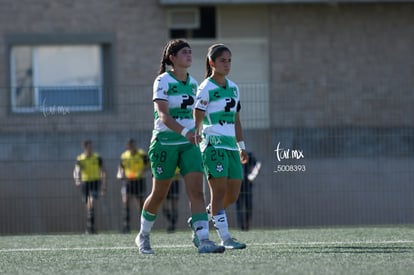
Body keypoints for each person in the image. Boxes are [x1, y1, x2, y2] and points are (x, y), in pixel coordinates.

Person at [135, 39, 225, 254]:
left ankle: (203, 239)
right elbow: (164, 116)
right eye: (184, 52)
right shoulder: (163, 80)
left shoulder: (194, 83)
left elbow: (199, 114)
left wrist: (201, 131)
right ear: (172, 58)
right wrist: (186, 132)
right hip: (165, 144)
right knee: (159, 194)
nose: (189, 55)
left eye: (191, 52)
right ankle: (143, 235)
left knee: (196, 191)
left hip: (189, 145)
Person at [194, 43, 248, 249]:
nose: (227, 64)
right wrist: (197, 135)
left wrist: (241, 145)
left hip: (231, 147)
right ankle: (226, 238)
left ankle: (205, 215)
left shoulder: (234, 88)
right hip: (213, 145)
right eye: (223, 60)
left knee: (233, 194)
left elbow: (237, 120)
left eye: (229, 60)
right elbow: (197, 116)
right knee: (218, 191)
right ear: (212, 63)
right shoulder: (205, 88)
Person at [73, 139, 107, 234]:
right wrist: (77, 180)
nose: (91, 148)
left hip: (95, 182)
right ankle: (90, 226)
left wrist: (104, 185)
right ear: (85, 148)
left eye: (92, 146)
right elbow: (76, 170)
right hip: (85, 183)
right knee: (88, 205)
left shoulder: (97, 158)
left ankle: (91, 226)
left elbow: (103, 171)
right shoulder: (80, 159)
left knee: (91, 201)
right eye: (89, 146)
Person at [117, 138, 149, 234]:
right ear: (128, 146)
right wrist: (119, 174)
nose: (132, 147)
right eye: (130, 146)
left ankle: (143, 226)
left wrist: (143, 171)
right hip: (128, 182)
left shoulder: (142, 154)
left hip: (139, 181)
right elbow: (121, 167)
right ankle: (126, 225)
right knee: (126, 201)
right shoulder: (124, 156)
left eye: (133, 145)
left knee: (140, 204)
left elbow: (150, 165)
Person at [236, 151, 261, 231]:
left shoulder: (248, 154)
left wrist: (252, 176)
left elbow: (257, 164)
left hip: (247, 184)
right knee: (239, 206)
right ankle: (241, 226)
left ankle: (247, 225)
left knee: (248, 205)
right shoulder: (234, 154)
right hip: (237, 183)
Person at [162, 167, 181, 233]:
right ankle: (170, 221)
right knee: (164, 205)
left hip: (175, 181)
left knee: (174, 204)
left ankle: (173, 224)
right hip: (164, 181)